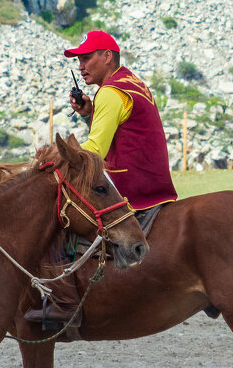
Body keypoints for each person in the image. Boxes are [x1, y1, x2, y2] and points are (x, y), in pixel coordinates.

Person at [24, 29, 176, 325]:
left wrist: (53, 155)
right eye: (78, 60)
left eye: (86, 58)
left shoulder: (110, 92)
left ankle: (64, 302)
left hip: (128, 182)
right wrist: (88, 114)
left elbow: (93, 152)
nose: (81, 66)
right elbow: (123, 130)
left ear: (107, 56)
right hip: (152, 178)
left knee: (52, 210)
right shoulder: (130, 82)